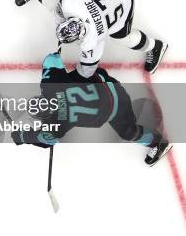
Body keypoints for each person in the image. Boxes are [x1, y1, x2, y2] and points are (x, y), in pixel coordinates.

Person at [10, 52, 172, 166]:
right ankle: (100, 75)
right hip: (110, 85)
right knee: (74, 79)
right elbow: (51, 59)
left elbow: (47, 141)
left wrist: (23, 136)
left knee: (128, 133)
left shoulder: (57, 123)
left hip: (117, 109)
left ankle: (158, 143)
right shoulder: (50, 86)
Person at [15, 0, 167, 78]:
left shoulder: (92, 43)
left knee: (121, 37)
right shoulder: (73, 6)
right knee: (59, 5)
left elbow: (85, 73)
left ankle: (156, 46)